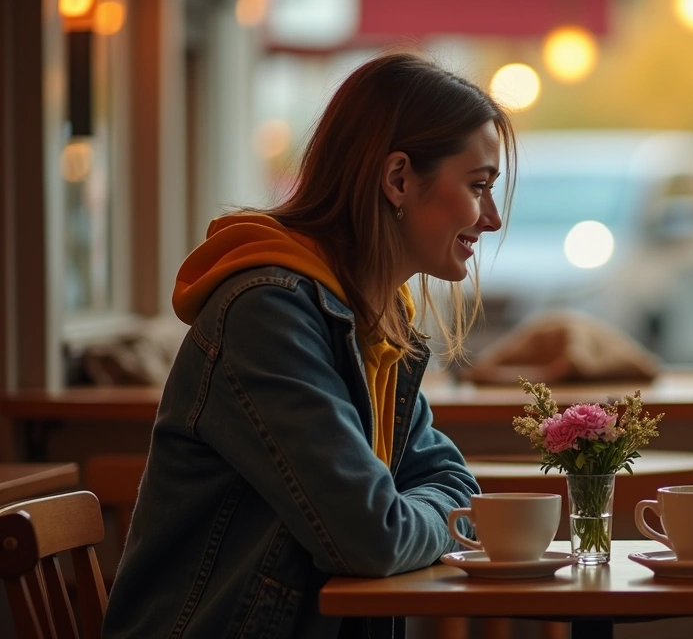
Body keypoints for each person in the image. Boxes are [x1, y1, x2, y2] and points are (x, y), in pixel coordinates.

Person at [103, 52, 514, 638]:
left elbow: (451, 482)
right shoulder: (267, 316)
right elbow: (374, 538)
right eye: (478, 186)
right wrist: (437, 519)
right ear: (398, 179)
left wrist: (420, 514)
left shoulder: (373, 320)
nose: (492, 218)